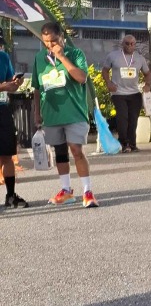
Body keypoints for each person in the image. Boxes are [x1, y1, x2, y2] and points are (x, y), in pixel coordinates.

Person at [32, 21, 98, 208]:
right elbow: (37, 88)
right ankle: (66, 190)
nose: (49, 45)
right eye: (45, 42)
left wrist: (61, 57)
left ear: (62, 37)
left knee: (76, 150)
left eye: (53, 41)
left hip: (74, 113)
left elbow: (81, 78)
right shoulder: (39, 58)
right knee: (60, 152)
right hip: (52, 115)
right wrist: (37, 112)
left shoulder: (76, 54)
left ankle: (87, 192)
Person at [102, 34, 151, 153]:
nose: (129, 46)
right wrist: (108, 83)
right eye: (127, 43)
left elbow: (147, 73)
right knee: (122, 118)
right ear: (122, 44)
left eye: (132, 44)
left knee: (133, 120)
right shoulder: (113, 56)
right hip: (118, 93)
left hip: (134, 93)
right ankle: (124, 143)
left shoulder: (140, 58)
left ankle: (132, 144)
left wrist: (147, 85)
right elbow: (105, 70)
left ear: (135, 45)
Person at [0, 44, 27, 208]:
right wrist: (2, 86)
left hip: (3, 109)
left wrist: (16, 83)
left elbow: (10, 84)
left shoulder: (3, 57)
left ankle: (10, 196)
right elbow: (3, 86)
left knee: (7, 155)